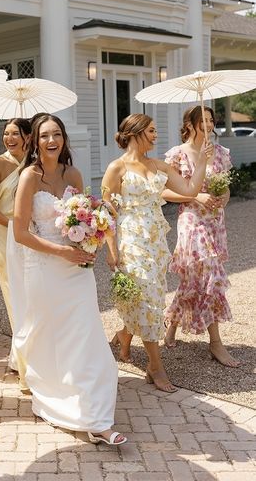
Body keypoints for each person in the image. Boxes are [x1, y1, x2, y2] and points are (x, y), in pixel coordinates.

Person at [10, 114, 126, 445]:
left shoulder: (72, 173)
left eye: (57, 134)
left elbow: (83, 215)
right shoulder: (29, 178)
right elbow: (19, 233)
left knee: (86, 334)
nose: (51, 140)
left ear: (63, 139)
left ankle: (95, 417)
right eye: (45, 135)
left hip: (77, 269)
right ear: (35, 140)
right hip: (45, 268)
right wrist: (61, 252)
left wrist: (92, 234)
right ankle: (51, 396)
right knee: (50, 335)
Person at [101, 113, 212, 393]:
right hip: (131, 240)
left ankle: (124, 335)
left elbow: (189, 189)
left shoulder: (159, 165)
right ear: (136, 132)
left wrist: (202, 161)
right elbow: (105, 213)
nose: (155, 135)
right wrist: (111, 250)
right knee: (149, 298)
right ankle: (155, 366)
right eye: (151, 130)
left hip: (156, 242)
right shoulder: (116, 168)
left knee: (147, 296)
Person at [162, 106, 239, 367]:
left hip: (214, 221)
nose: (207, 124)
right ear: (191, 124)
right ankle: (216, 344)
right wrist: (195, 195)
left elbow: (226, 188)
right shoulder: (177, 154)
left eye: (210, 119)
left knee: (194, 280)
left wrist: (222, 199)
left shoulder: (220, 153)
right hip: (191, 220)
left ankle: (171, 320)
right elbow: (163, 193)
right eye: (201, 120)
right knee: (212, 276)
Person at [0, 118, 31, 371]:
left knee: (32, 293)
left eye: (15, 134)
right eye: (6, 133)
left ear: (27, 136)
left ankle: (27, 350)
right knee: (14, 293)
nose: (9, 138)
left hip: (32, 235)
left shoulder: (35, 163)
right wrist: (12, 227)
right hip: (4, 232)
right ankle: (24, 361)